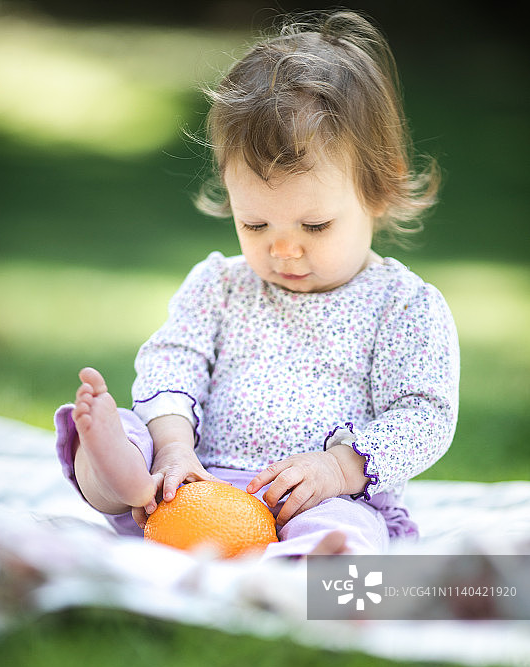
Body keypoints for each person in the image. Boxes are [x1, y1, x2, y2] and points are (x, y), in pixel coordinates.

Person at [55, 10, 459, 558]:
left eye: (314, 226)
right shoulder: (221, 284)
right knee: (133, 431)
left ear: (378, 189)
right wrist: (174, 448)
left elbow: (423, 414)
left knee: (345, 528)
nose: (283, 249)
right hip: (195, 484)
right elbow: (174, 361)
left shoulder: (403, 306)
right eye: (255, 224)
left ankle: (318, 567)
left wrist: (340, 467)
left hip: (317, 494)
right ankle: (120, 478)